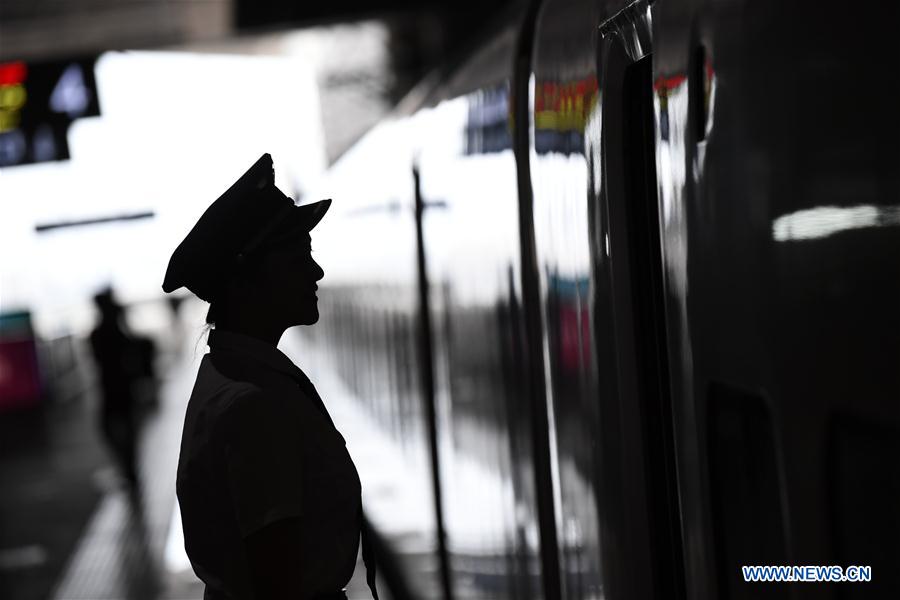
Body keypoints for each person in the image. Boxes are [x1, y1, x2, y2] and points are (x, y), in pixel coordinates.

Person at [162, 154, 377, 600]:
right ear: (247, 279)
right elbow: (278, 581)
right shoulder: (251, 405)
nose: (316, 272)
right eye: (300, 257)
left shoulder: (235, 380)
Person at [89, 287, 141, 495]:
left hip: (110, 388)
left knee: (110, 428)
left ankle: (129, 471)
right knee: (128, 428)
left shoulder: (98, 333)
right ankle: (130, 470)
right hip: (124, 387)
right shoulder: (118, 331)